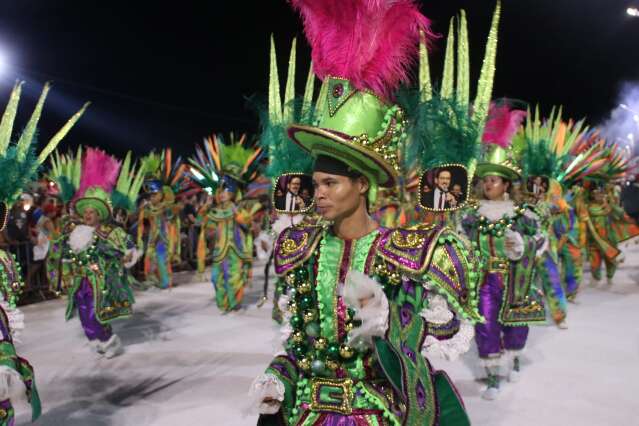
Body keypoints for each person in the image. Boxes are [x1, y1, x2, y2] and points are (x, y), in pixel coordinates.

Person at [249, 1, 484, 424]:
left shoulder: (404, 251)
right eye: (315, 183)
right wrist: (276, 378)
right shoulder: (303, 249)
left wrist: (389, 319)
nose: (318, 194)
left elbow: (443, 332)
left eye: (330, 184)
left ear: (362, 185)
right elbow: (298, 345)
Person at [461, 104, 545, 400]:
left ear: (506, 184)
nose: (487, 184)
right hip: (485, 279)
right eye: (485, 180)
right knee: (484, 324)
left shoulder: (521, 213)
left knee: (514, 325)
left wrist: (523, 245)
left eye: (493, 180)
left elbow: (540, 240)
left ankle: (515, 355)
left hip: (514, 279)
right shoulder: (472, 214)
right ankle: (493, 376)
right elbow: (463, 241)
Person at [47, 148, 140, 358]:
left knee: (96, 312)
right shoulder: (76, 231)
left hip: (102, 280)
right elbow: (60, 249)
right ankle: (98, 340)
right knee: (83, 313)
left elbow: (128, 245)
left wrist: (127, 256)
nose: (88, 215)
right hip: (80, 280)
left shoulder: (109, 230)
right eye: (86, 212)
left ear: (99, 214)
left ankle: (107, 340)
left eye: (92, 212)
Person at [190, 134, 263, 312]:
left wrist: (240, 216)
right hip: (219, 251)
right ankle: (223, 303)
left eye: (226, 191)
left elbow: (248, 225)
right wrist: (204, 210)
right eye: (220, 191)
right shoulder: (214, 211)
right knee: (217, 278)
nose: (222, 194)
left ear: (233, 192)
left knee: (234, 277)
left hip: (236, 250)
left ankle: (233, 303)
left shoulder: (238, 209)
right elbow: (201, 224)